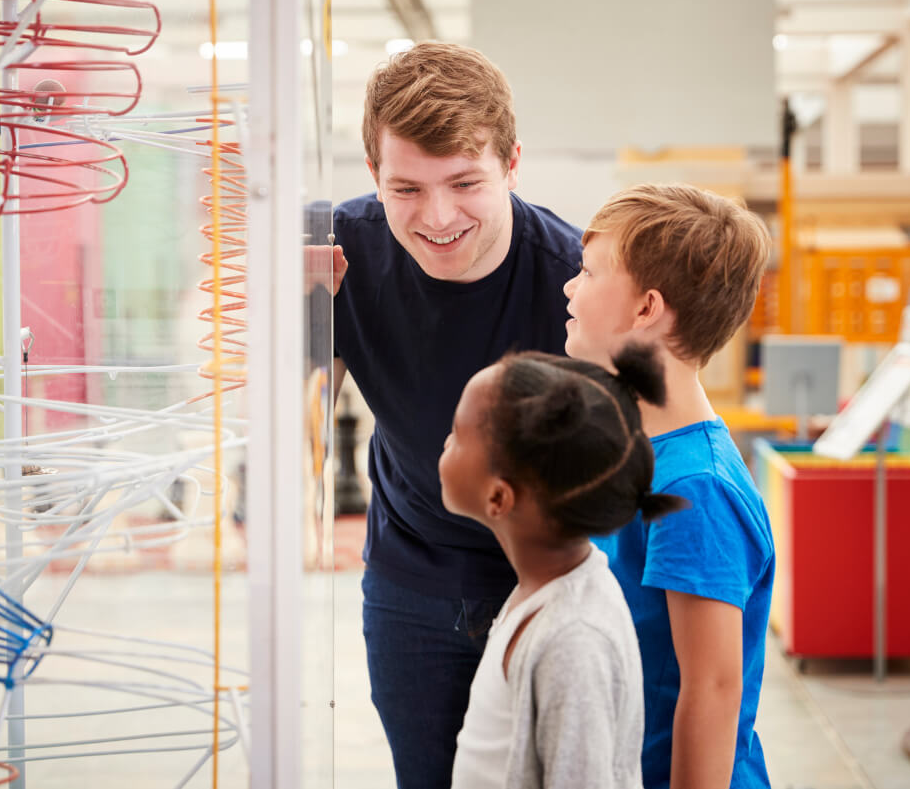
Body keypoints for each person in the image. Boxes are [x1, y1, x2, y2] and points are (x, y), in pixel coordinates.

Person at [332, 41, 583, 787]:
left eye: (464, 182)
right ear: (374, 174)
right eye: (405, 188)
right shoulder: (341, 253)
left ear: (512, 163)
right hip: (410, 577)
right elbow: (289, 410)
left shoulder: (571, 279)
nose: (437, 216)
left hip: (548, 578)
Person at [563, 183, 775, 789]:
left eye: (589, 272)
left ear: (647, 308)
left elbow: (711, 689)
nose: (570, 287)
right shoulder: (639, 450)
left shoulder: (695, 489)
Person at [440, 348, 687, 789]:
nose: (445, 442)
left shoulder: (574, 639)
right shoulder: (543, 592)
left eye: (458, 434)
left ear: (499, 498)